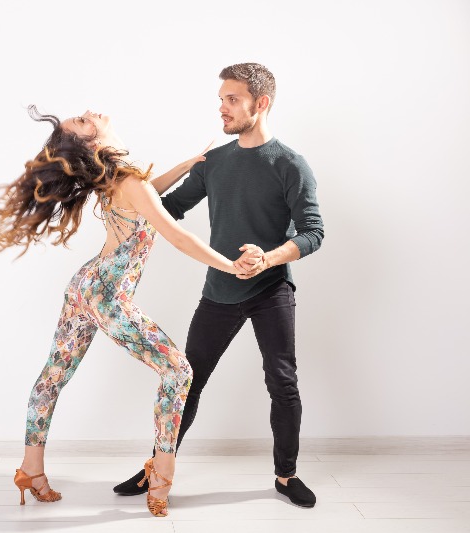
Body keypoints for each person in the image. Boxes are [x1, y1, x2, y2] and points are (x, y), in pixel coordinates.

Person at [0, 106, 261, 517]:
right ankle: (162, 472)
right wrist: (230, 266)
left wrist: (181, 167)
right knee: (178, 371)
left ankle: (30, 469)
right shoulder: (125, 180)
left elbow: (143, 196)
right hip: (107, 296)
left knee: (52, 378)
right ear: (90, 141)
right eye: (81, 119)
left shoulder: (113, 178)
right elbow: (177, 236)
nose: (87, 111)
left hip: (85, 287)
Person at [112, 63, 325, 508]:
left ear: (260, 103)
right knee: (185, 381)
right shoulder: (217, 162)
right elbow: (165, 209)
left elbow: (312, 232)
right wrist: (126, 188)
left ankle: (285, 476)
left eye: (232, 99)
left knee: (282, 383)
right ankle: (157, 464)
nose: (222, 108)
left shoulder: (290, 164)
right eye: (221, 99)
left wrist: (267, 257)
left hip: (271, 291)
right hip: (219, 293)